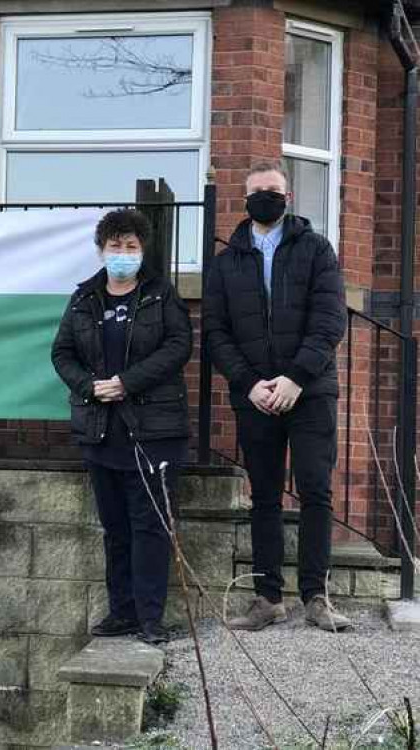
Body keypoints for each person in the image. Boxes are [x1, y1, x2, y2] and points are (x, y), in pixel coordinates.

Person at [203, 161, 350, 632]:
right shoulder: (226, 262)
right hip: (256, 396)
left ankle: (316, 598)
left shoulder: (316, 249)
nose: (266, 197)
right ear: (244, 200)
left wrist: (295, 379)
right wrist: (250, 383)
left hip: (309, 393)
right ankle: (267, 598)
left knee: (315, 492)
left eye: (274, 190)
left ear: (288, 197)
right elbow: (215, 331)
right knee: (263, 496)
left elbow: (330, 321)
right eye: (257, 191)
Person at [52, 208, 193, 645]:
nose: (123, 253)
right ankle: (123, 612)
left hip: (152, 432)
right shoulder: (83, 298)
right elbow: (63, 353)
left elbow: (178, 347)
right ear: (101, 250)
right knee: (115, 529)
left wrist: (126, 383)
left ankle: (151, 618)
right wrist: (92, 388)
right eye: (115, 246)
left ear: (142, 250)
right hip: (101, 430)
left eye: (131, 246)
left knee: (149, 527)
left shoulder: (160, 294)